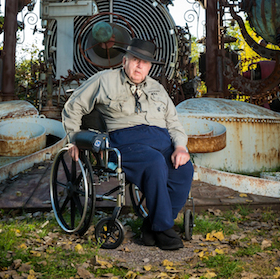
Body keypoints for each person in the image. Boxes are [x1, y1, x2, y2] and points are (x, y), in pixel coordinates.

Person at [62, 38, 194, 250]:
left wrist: (179, 147)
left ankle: (152, 226)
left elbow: (174, 123)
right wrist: (73, 138)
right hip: (126, 142)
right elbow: (73, 106)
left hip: (162, 142)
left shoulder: (158, 89)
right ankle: (163, 230)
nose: (140, 65)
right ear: (124, 60)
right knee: (154, 163)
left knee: (184, 169)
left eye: (145, 62)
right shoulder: (104, 81)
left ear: (150, 66)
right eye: (135, 59)